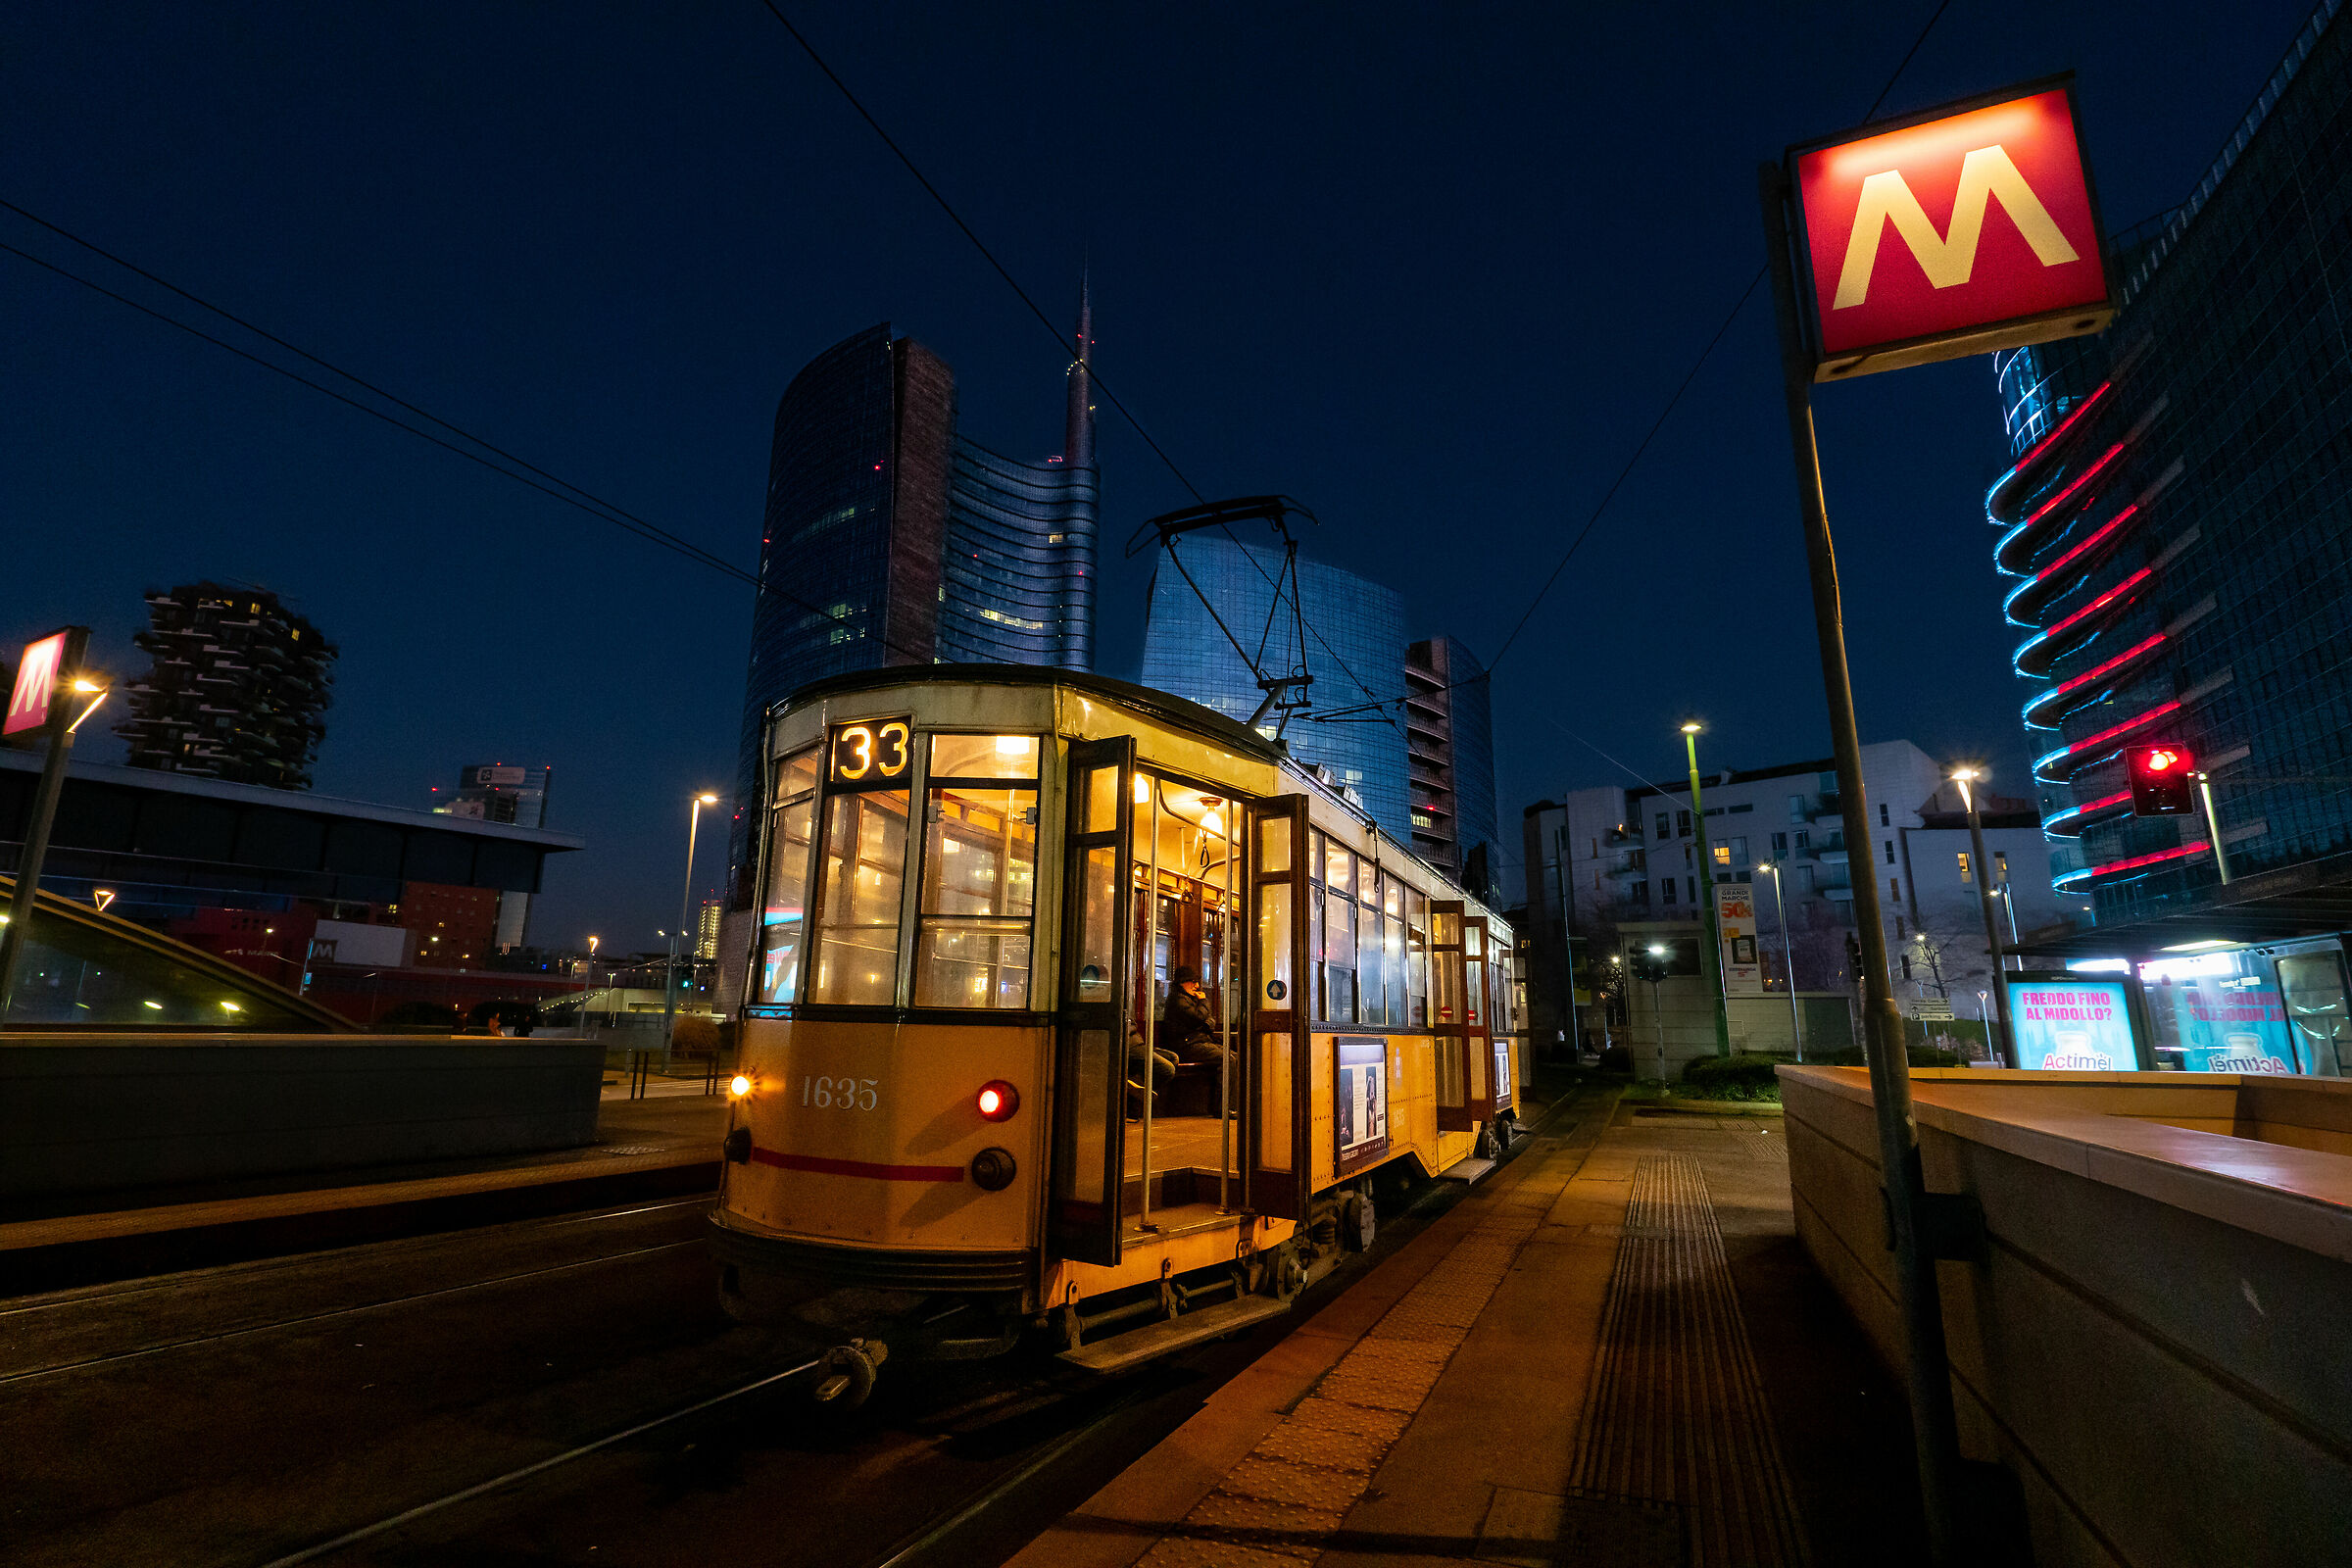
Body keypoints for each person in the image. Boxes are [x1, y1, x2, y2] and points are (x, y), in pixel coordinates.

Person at [1159, 965, 1229, 1069]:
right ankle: (1223, 1086)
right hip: (1186, 1045)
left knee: (1235, 1057)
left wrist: (1204, 1024)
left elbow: (1210, 1020)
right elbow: (1198, 1018)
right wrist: (1203, 1001)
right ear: (1182, 982)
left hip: (1198, 1042)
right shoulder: (1177, 999)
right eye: (1193, 981)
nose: (1197, 986)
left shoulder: (1192, 999)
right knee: (1228, 1059)